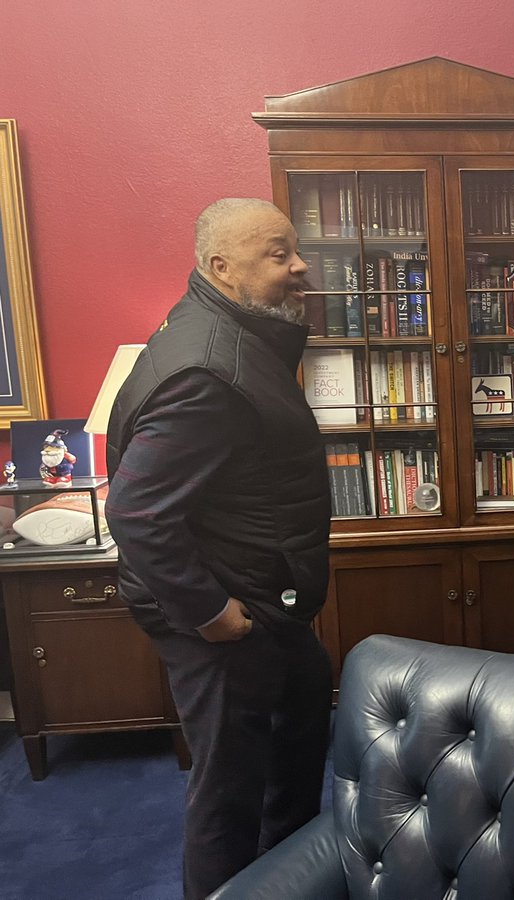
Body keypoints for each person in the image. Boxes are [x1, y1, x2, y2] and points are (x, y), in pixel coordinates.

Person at [105, 198, 333, 900]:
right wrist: (211, 614)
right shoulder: (209, 370)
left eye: (294, 249)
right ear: (220, 268)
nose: (299, 266)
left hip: (271, 610)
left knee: (290, 761)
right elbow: (136, 512)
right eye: (277, 254)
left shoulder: (230, 336)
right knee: (229, 797)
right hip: (233, 626)